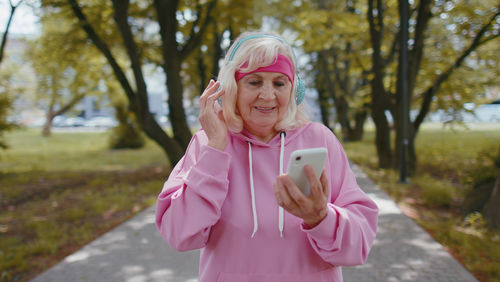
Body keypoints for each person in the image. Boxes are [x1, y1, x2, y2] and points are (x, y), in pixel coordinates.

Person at [155, 31, 378, 282]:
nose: (268, 95)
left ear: (294, 89)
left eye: (279, 83)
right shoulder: (208, 143)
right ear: (231, 88)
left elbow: (359, 246)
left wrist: (320, 218)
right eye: (255, 81)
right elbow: (179, 234)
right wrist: (215, 150)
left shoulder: (319, 140)